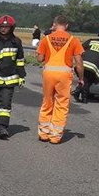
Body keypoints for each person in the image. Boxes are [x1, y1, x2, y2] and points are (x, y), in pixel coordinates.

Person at [36, 15, 84, 144]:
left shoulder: (46, 39)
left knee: (47, 102)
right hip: (64, 75)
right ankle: (55, 136)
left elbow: (40, 59)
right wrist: (81, 78)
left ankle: (44, 133)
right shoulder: (73, 40)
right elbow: (79, 63)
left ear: (54, 24)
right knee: (61, 104)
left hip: (48, 74)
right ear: (67, 25)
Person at [72, 30, 99, 103]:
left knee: (84, 79)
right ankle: (79, 93)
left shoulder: (91, 41)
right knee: (88, 80)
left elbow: (81, 48)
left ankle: (81, 94)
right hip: (94, 67)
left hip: (83, 64)